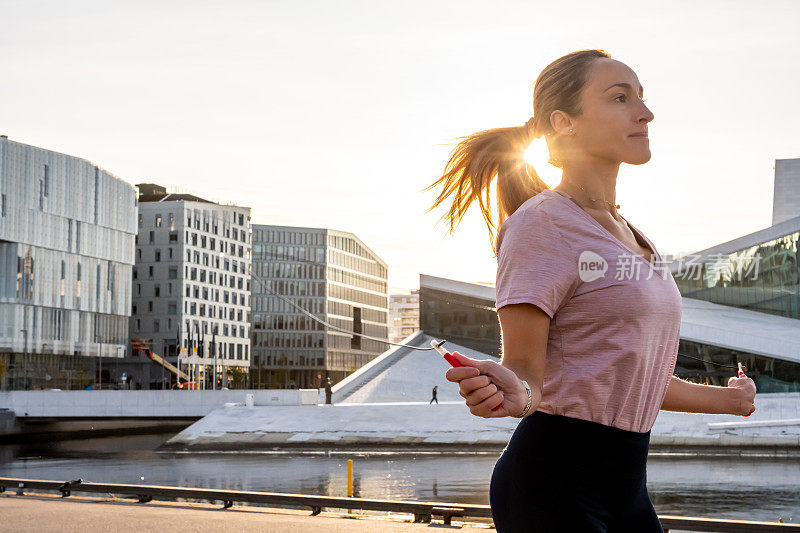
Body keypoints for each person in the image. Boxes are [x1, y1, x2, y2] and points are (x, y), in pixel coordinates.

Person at [426, 49, 757, 532]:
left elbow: (623, 377)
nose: (645, 112)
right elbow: (525, 374)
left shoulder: (632, 235)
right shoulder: (540, 225)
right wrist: (512, 393)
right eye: (620, 98)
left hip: (627, 487)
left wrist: (731, 401)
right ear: (565, 122)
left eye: (641, 97)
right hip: (553, 486)